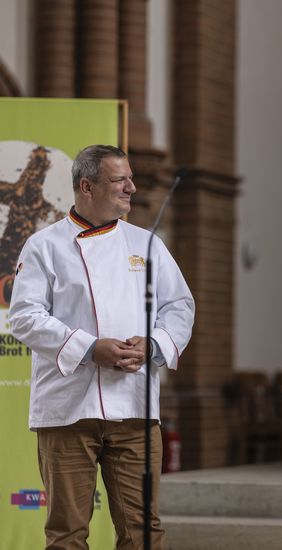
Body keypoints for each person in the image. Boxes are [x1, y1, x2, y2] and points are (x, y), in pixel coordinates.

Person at [9, 145, 195, 549]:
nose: (131, 187)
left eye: (130, 177)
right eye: (120, 180)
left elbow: (179, 306)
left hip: (134, 408)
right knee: (66, 534)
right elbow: (23, 316)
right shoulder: (44, 245)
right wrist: (91, 348)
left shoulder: (146, 245)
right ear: (86, 186)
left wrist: (154, 345)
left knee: (142, 531)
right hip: (67, 411)